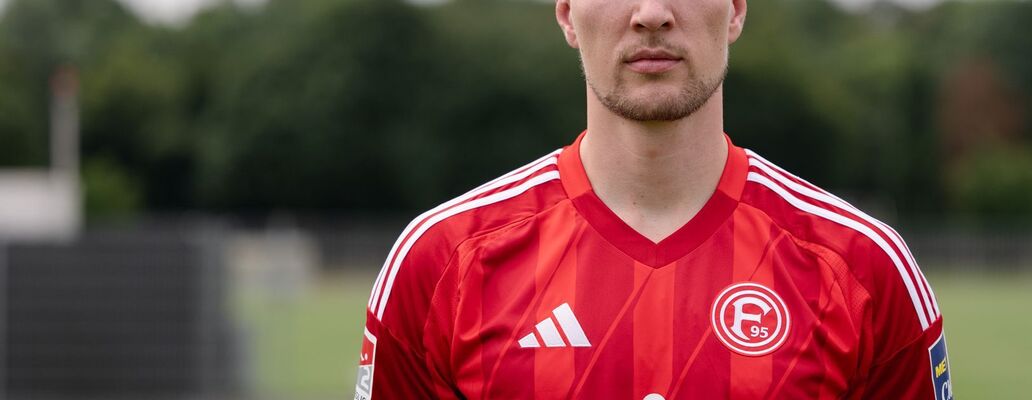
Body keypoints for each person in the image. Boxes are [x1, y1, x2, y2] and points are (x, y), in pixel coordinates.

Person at [354, 0, 951, 398]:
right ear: (565, 12)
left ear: (736, 8)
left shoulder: (865, 269)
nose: (651, 14)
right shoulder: (440, 264)